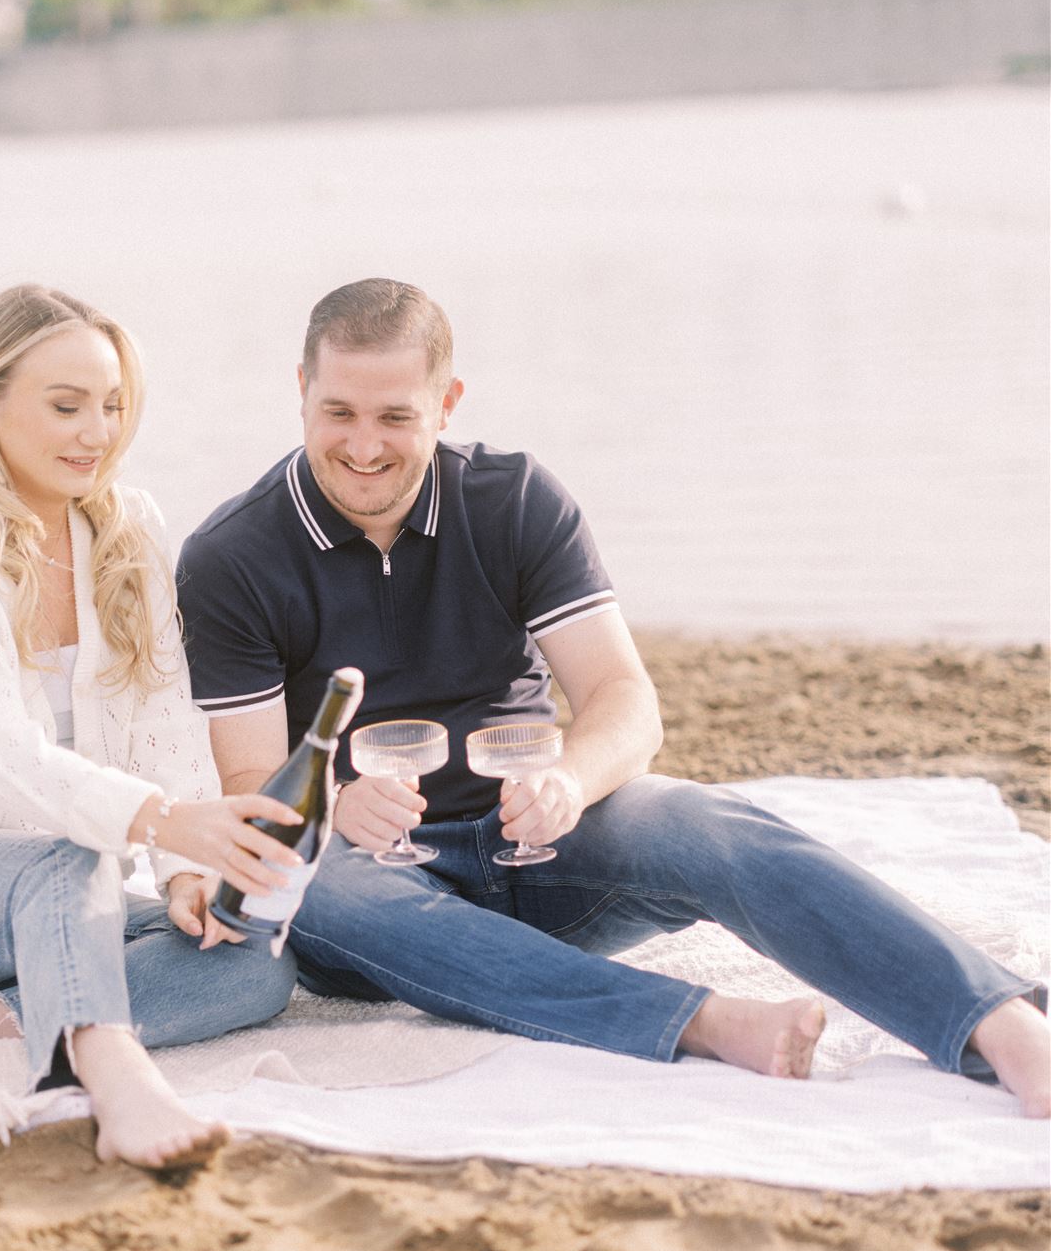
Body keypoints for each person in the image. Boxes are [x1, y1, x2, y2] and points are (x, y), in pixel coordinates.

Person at [176, 277, 1050, 1116]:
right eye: (340, 412)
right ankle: (700, 1024)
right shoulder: (231, 556)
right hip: (378, 896)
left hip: (540, 851)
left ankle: (999, 1024)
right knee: (317, 885)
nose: (365, 446)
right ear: (301, 392)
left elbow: (624, 698)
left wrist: (571, 782)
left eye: (396, 417)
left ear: (447, 403)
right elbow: (252, 782)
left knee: (696, 819)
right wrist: (335, 803)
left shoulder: (514, 499)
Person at [0, 283, 304, 1171]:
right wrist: (160, 821)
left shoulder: (128, 530)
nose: (98, 431)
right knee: (70, 856)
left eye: (112, 405)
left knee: (255, 964)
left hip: (69, 888)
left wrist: (188, 871)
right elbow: (8, 764)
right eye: (67, 405)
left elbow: (165, 717)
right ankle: (110, 1075)